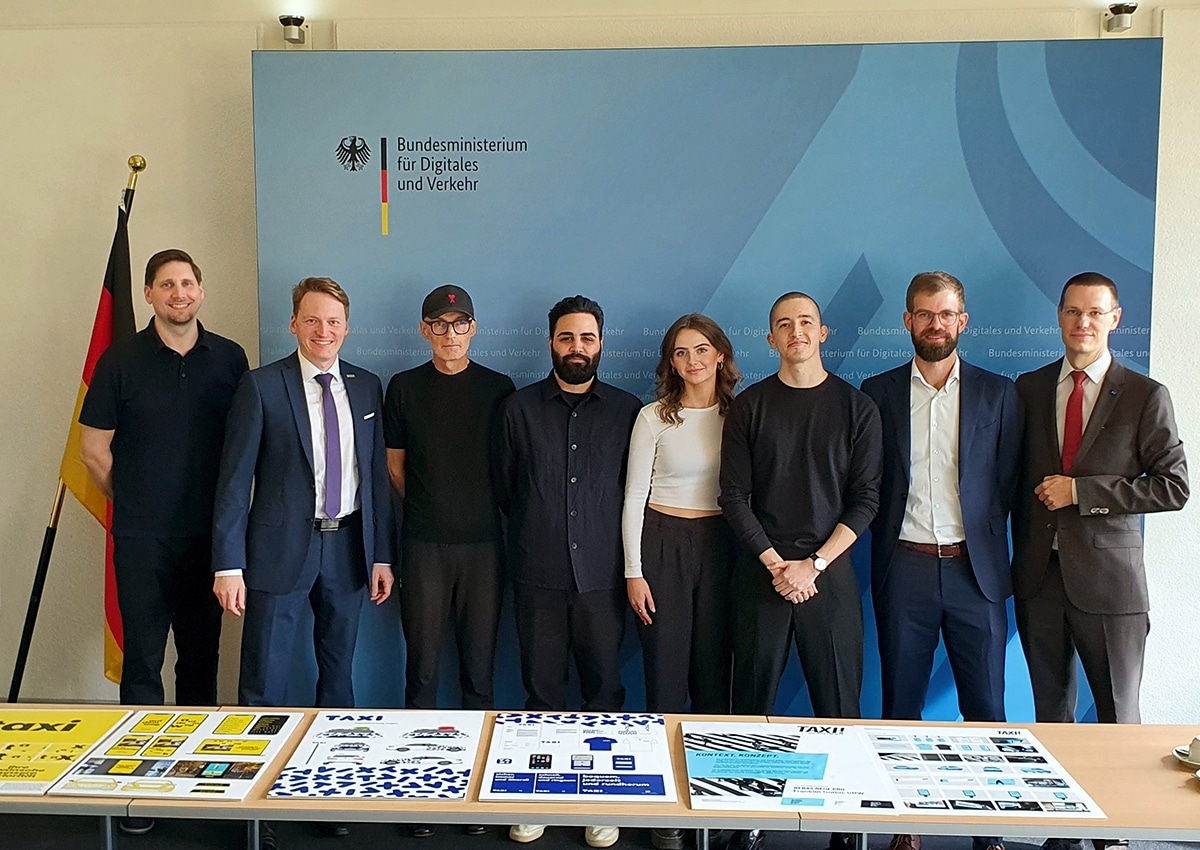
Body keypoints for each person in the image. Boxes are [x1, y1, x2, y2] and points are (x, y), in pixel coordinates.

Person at [1012, 272, 1188, 850]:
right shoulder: (1030, 388)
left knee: (1117, 719)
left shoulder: (1144, 394)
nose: (1082, 323)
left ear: (1115, 319)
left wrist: (1083, 492)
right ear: (1060, 317)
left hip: (1111, 586)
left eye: (1094, 313)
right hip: (1039, 578)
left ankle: (1114, 835)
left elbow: (1173, 487)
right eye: (1072, 311)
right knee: (1050, 717)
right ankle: (1061, 831)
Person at [79, 248, 248, 837]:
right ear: (149, 294)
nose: (180, 293)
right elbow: (93, 451)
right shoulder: (120, 360)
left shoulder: (230, 358)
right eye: (167, 284)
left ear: (201, 290)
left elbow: (242, 448)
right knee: (144, 664)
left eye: (188, 283)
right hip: (142, 538)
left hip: (209, 540)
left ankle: (195, 781)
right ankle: (139, 786)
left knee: (200, 663)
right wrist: (134, 498)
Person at [861, 272, 1020, 850]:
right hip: (903, 567)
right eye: (925, 314)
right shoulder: (876, 392)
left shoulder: (998, 393)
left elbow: (1008, 482)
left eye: (946, 314)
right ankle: (905, 823)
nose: (936, 324)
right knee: (900, 705)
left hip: (975, 572)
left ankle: (989, 829)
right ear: (907, 321)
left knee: (987, 706)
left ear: (963, 321)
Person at [718, 291, 881, 850]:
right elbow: (733, 496)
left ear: (823, 332)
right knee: (751, 707)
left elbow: (866, 499)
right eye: (784, 325)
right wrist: (776, 564)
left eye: (806, 322)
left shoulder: (857, 408)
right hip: (761, 573)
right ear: (771, 339)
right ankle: (746, 818)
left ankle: (845, 825)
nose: (797, 332)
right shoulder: (750, 407)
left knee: (839, 706)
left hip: (828, 574)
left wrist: (813, 565)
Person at [496, 295, 641, 849]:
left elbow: (635, 492)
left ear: (601, 343)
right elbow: (506, 488)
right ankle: (539, 798)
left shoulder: (628, 411)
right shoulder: (518, 409)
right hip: (538, 573)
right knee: (541, 692)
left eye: (586, 338)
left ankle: (600, 801)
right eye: (566, 337)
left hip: (603, 577)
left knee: (604, 690)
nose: (576, 347)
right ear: (551, 342)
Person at [212, 276, 394, 710]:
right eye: (312, 320)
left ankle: (333, 748)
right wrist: (228, 565)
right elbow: (234, 481)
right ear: (294, 324)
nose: (323, 331)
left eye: (333, 321)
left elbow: (375, 477)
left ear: (346, 327)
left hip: (348, 548)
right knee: (263, 679)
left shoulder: (366, 386)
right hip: (278, 550)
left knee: (338, 676)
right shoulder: (261, 386)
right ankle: (256, 748)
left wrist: (382, 555)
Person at [384, 284, 513, 839]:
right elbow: (395, 468)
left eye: (460, 324)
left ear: (473, 328)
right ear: (424, 330)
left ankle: (476, 795)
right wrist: (433, 510)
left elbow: (507, 470)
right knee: (422, 673)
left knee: (479, 674)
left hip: (485, 548)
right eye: (439, 324)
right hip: (424, 547)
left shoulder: (499, 388)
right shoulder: (404, 387)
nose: (450, 334)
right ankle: (420, 791)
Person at [622, 313, 741, 850]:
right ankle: (664, 807)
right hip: (662, 544)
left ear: (720, 355)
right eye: (680, 352)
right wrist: (634, 570)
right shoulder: (653, 417)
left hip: (722, 547)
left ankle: (711, 803)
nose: (692, 361)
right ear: (670, 362)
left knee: (714, 678)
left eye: (701, 350)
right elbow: (633, 498)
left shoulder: (741, 414)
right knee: (665, 676)